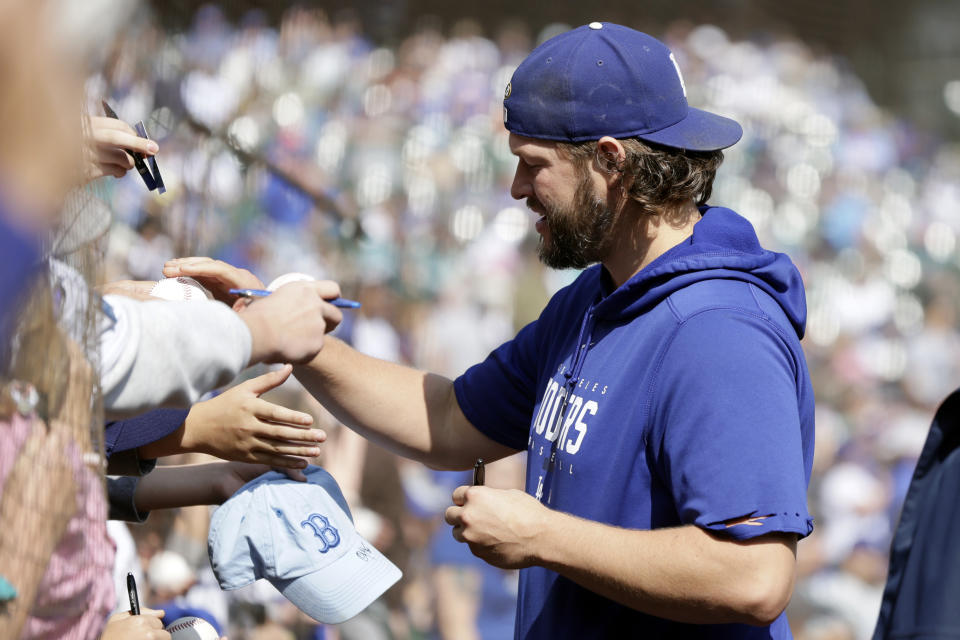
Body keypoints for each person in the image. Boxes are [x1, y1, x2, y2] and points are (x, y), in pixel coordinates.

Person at [171, 22, 815, 639]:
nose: (515, 189)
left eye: (533, 164)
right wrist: (290, 339)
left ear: (610, 162)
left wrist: (543, 536)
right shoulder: (595, 299)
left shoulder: (719, 330)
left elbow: (753, 576)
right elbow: (451, 419)